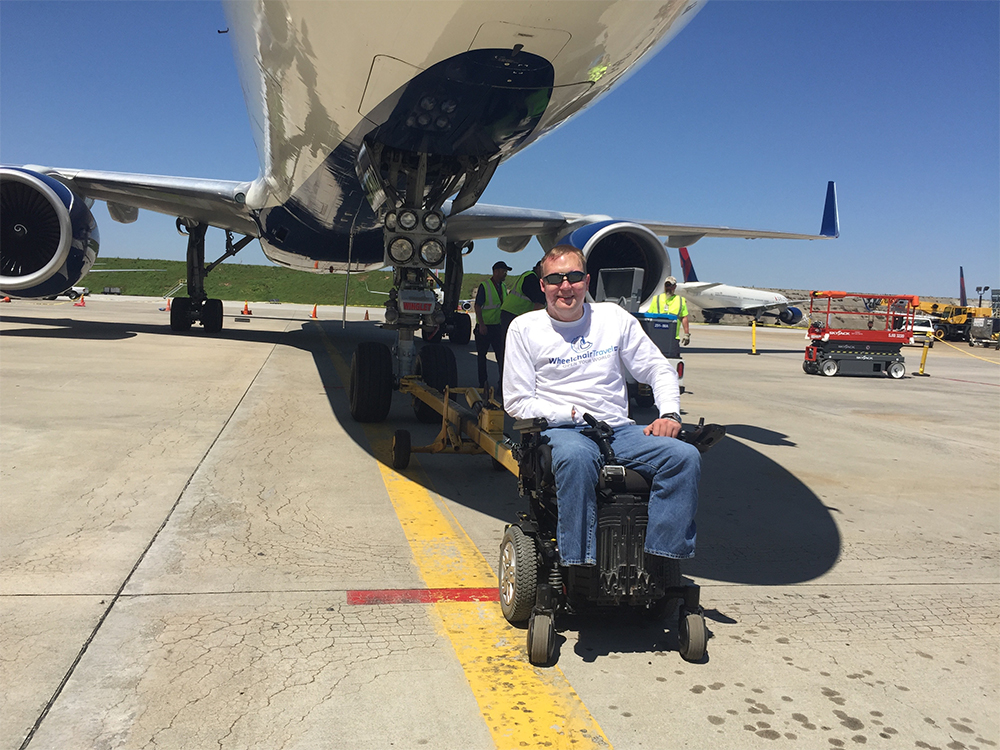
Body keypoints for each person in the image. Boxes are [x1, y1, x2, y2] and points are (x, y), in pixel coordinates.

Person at [503, 245, 701, 567]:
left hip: (617, 429)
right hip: (563, 431)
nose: (565, 286)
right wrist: (567, 413)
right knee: (576, 457)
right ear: (543, 285)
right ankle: (579, 566)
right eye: (555, 279)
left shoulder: (612, 318)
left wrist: (669, 413)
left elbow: (657, 369)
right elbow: (516, 400)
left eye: (574, 277)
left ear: (587, 281)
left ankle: (657, 562)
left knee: (684, 457)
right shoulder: (525, 329)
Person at [474, 261, 510, 390]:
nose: (505, 274)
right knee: (482, 357)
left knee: (501, 357)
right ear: (495, 272)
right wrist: (482, 324)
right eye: (503, 271)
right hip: (485, 327)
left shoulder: (504, 287)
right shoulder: (485, 286)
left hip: (498, 327)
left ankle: (502, 385)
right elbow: (477, 306)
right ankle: (483, 383)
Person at [499, 260, 545, 335]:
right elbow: (539, 300)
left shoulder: (530, 276)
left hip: (513, 313)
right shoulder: (530, 278)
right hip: (513, 313)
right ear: (538, 268)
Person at [648, 276, 691, 346]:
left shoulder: (680, 300)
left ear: (675, 287)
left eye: (671, 285)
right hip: (657, 337)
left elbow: (684, 317)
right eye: (667, 285)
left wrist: (686, 334)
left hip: (673, 337)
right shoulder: (656, 299)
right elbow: (649, 317)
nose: (668, 288)